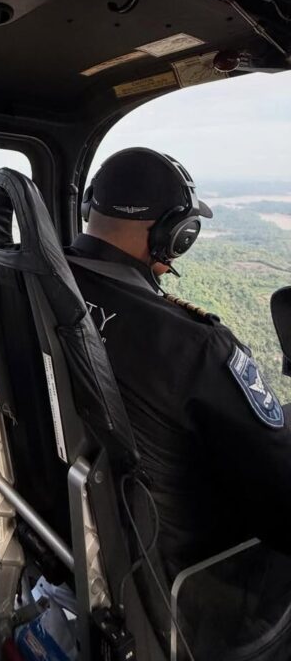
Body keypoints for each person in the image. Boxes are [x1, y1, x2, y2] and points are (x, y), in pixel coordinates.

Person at [66, 146, 291, 581]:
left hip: (84, 532)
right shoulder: (197, 346)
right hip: (186, 578)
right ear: (175, 234)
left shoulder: (42, 287)